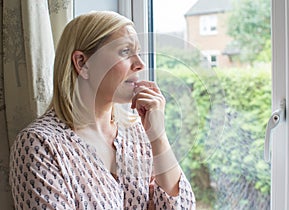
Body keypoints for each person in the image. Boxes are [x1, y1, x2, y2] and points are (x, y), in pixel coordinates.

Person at [9, 11, 196, 209]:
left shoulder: (139, 135)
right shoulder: (39, 145)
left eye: (138, 53)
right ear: (82, 63)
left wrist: (158, 136)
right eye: (125, 51)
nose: (140, 64)